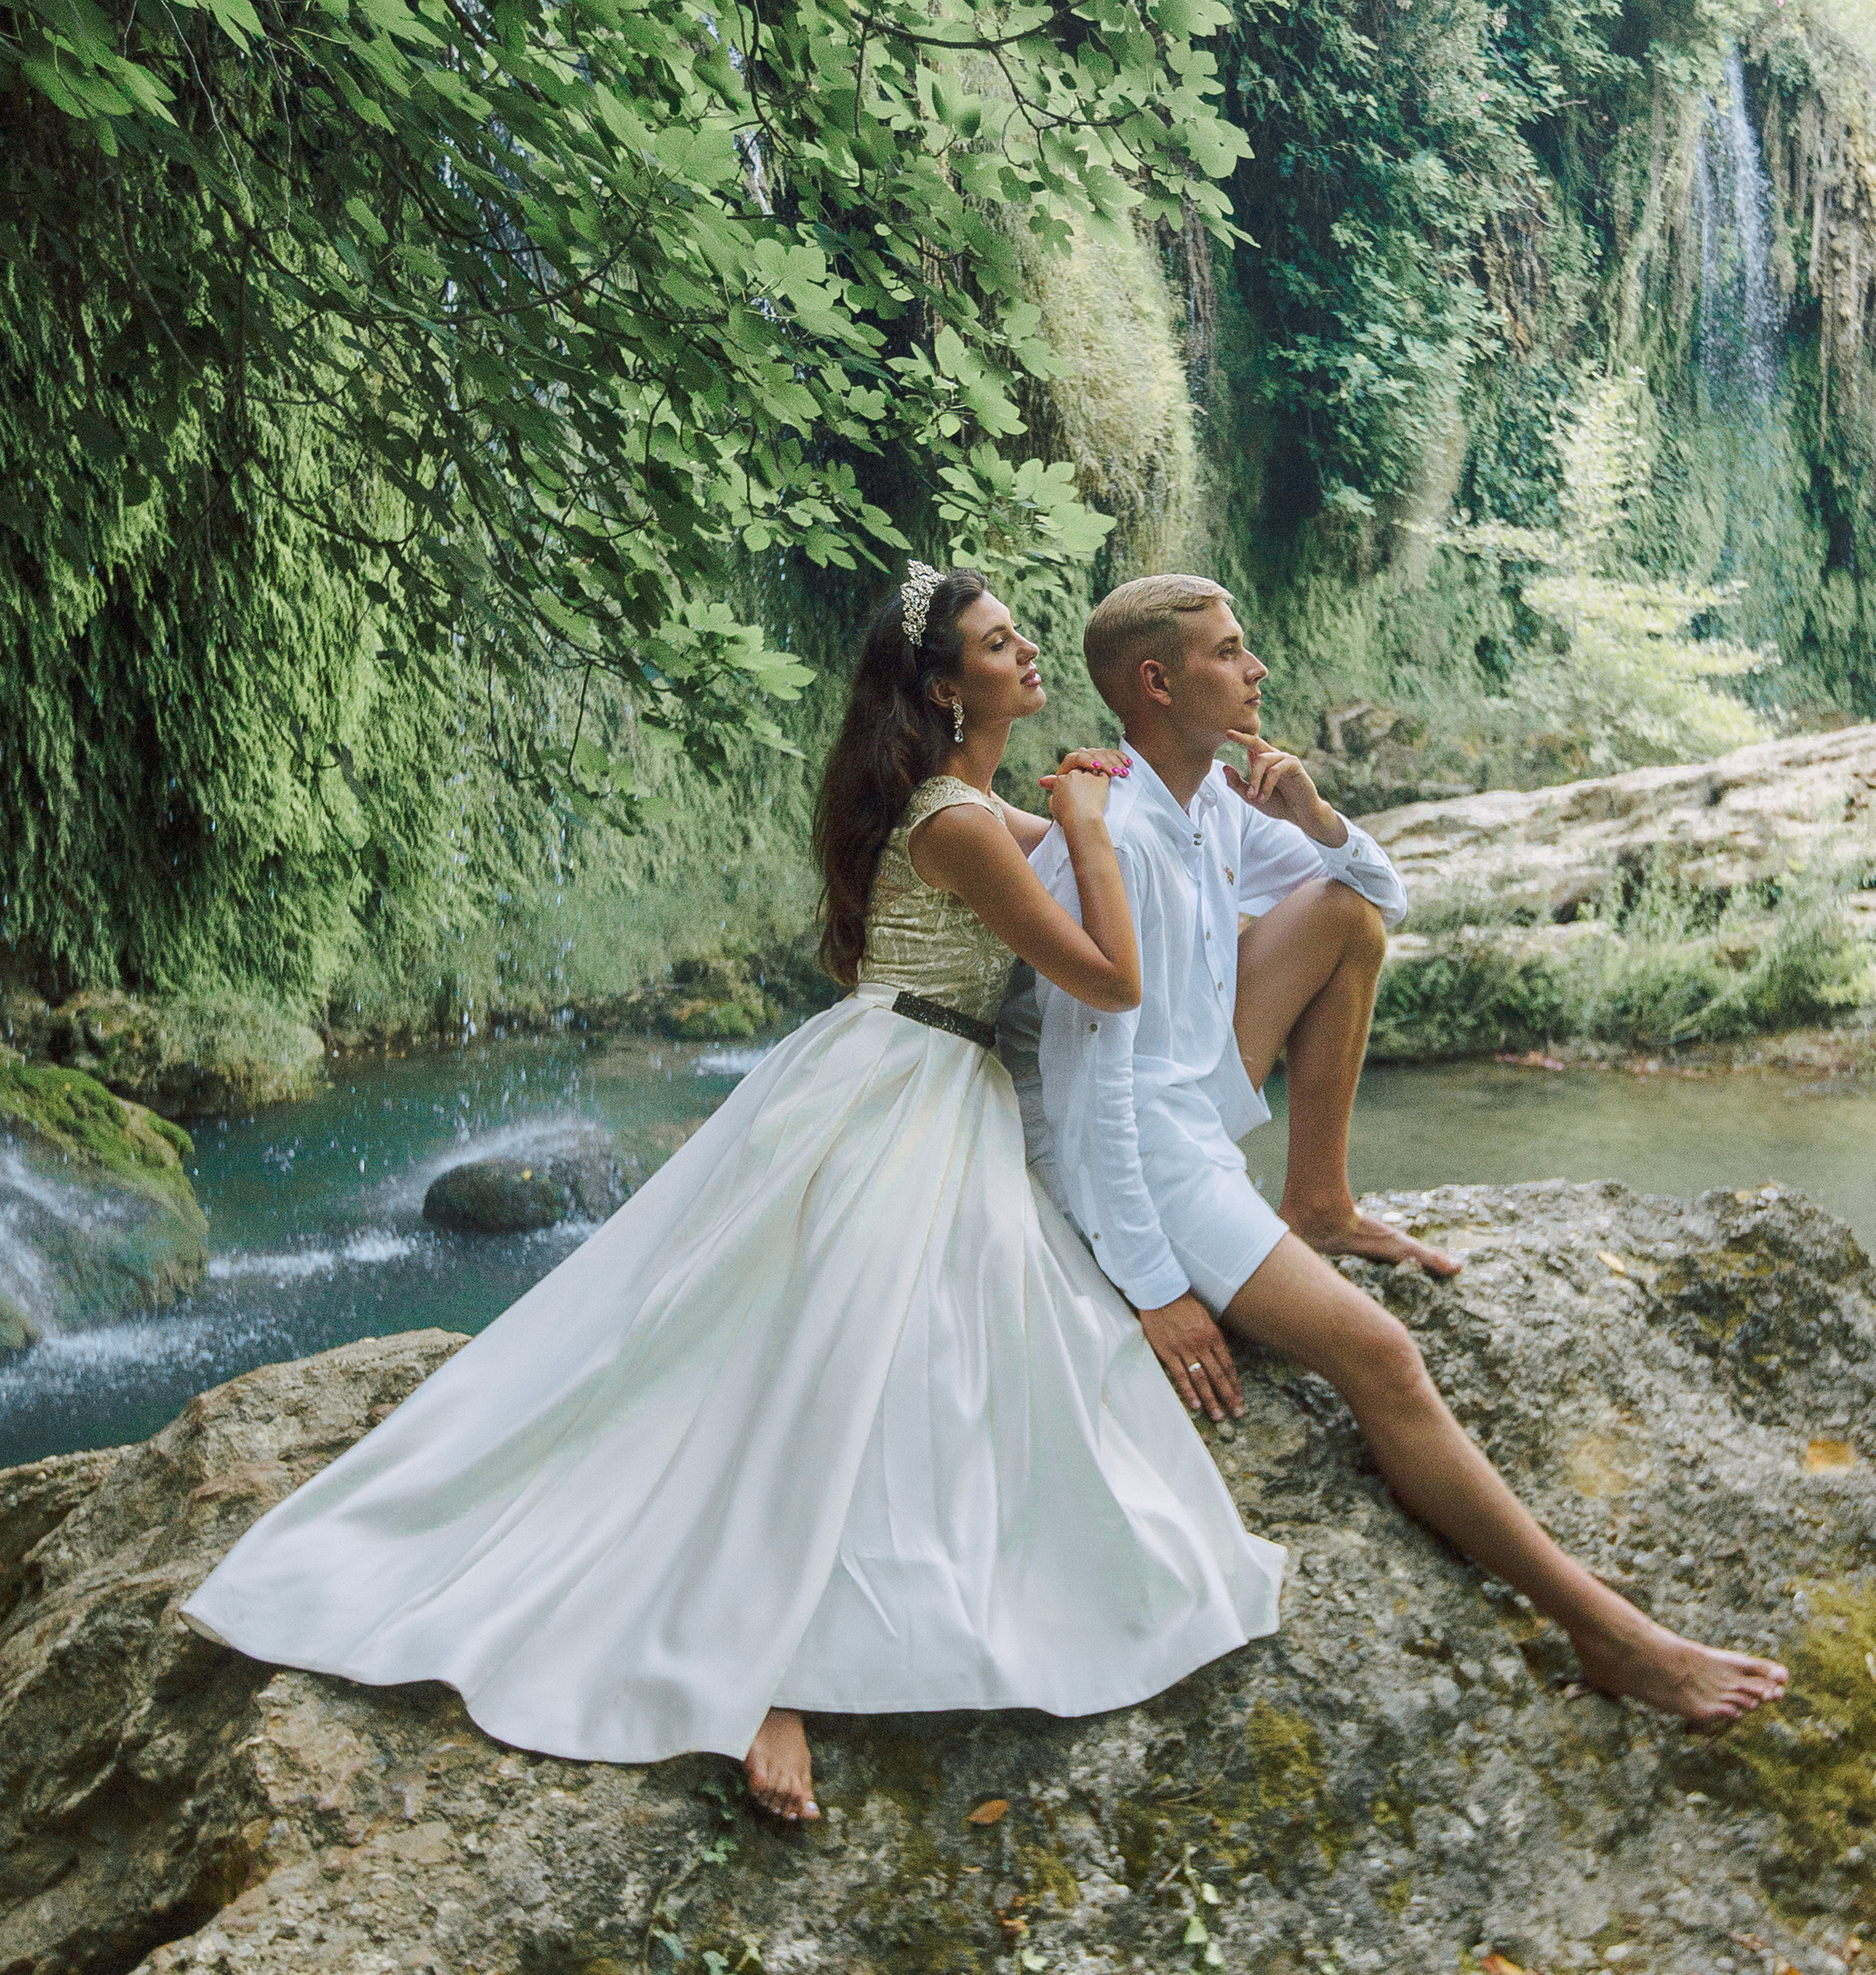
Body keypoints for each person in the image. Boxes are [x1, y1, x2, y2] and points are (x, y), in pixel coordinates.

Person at [182, 564, 1283, 1823]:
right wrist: (1089, 824)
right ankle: (759, 1673)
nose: (1031, 651)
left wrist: (1222, 813)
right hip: (900, 1085)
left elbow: (1142, 873)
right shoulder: (961, 821)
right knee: (824, 1352)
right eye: (999, 641)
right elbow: (1109, 977)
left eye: (1022, 634)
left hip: (931, 1083)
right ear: (944, 687)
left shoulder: (977, 808)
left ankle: (798, 1640)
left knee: (936, 1347)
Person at [1006, 574, 1788, 1727]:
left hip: (1190, 1095)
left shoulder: (1215, 801)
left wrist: (1316, 820)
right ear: (1157, 683)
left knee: (1343, 914)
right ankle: (1613, 1635)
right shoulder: (1105, 833)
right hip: (1147, 1146)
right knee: (1381, 1358)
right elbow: (1085, 1095)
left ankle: (1318, 1200)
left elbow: (1381, 893)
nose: (1259, 669)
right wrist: (1154, 1286)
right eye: (1231, 653)